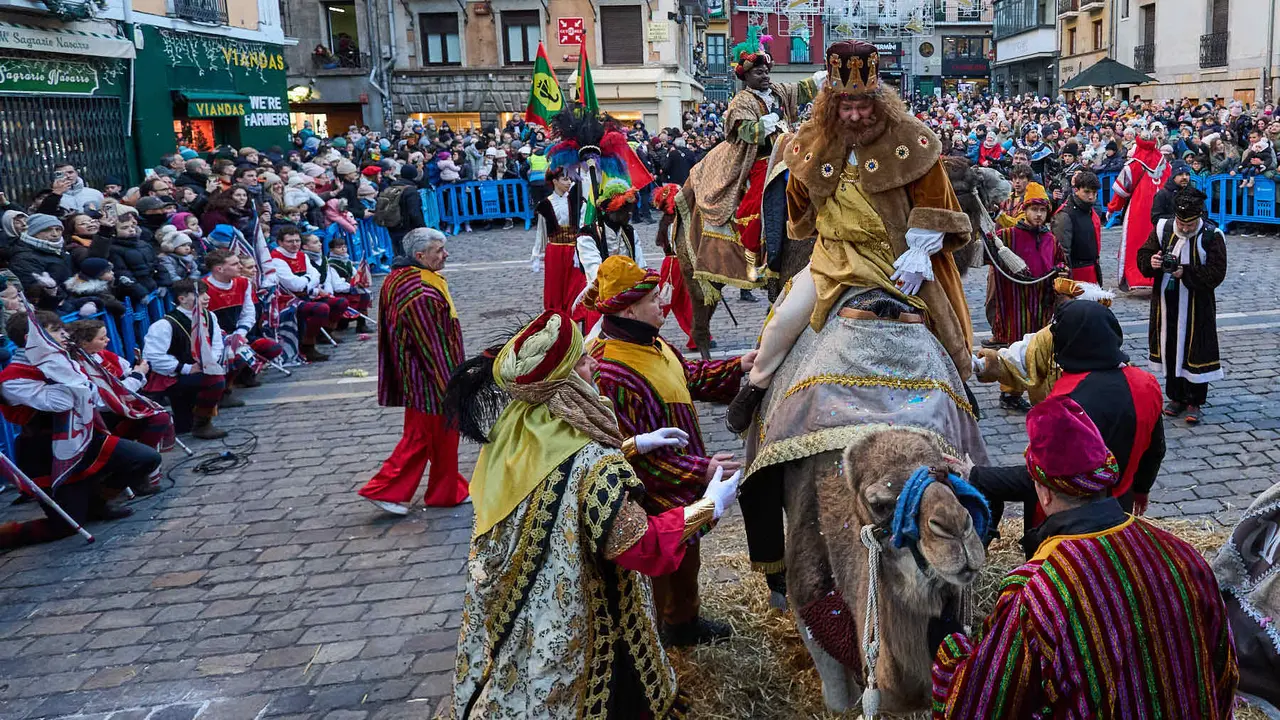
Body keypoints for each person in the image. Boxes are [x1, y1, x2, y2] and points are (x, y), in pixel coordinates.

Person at [443, 309, 742, 718]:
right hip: (588, 626)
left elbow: (556, 476)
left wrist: (634, 445)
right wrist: (710, 505)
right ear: (564, 383)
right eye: (584, 360)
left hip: (527, 619)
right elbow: (642, 545)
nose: (595, 362)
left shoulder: (515, 429)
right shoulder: (594, 466)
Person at [932, 394, 1238, 719]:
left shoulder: (1037, 591)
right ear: (1103, 480)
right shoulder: (1183, 557)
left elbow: (977, 706)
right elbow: (1225, 673)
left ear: (1044, 492)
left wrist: (947, 641)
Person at [725, 40, 974, 434]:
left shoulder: (912, 138)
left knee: (947, 326)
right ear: (831, 105)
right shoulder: (812, 140)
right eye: (846, 106)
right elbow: (800, 209)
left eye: (863, 106)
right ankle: (756, 386)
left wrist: (918, 253)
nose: (856, 115)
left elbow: (936, 203)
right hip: (833, 257)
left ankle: (961, 393)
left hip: (897, 258)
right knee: (785, 318)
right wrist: (803, 180)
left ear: (879, 102)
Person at [586, 255, 756, 645]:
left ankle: (683, 623)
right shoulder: (612, 371)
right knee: (660, 567)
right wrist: (703, 469)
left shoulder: (651, 341)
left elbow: (686, 376)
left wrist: (737, 367)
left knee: (686, 559)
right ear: (629, 309)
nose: (663, 303)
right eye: (652, 301)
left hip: (679, 480)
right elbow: (637, 457)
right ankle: (655, 642)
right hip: (651, 498)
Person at [971, 297, 1166, 549]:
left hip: (1067, 525)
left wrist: (977, 474)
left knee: (978, 478)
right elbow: (1155, 448)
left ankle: (977, 552)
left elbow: (1044, 473)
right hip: (1121, 508)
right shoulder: (1146, 383)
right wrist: (1141, 489)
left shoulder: (1064, 401)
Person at [0, 312, 164, 549]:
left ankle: (98, 502)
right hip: (47, 452)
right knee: (66, 526)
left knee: (146, 459)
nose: (65, 336)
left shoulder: (68, 362)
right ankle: (6, 535)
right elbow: (61, 403)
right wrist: (64, 371)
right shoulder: (13, 378)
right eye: (56, 331)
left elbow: (95, 398)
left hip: (86, 436)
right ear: (32, 339)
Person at [684, 26, 822, 298]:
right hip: (760, 159)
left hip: (787, 154)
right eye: (759, 72)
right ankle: (757, 256)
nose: (765, 76)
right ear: (746, 76)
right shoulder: (740, 101)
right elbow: (745, 133)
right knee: (761, 195)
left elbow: (802, 89)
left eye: (767, 71)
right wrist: (764, 124)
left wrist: (822, 78)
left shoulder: (779, 91)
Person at [358, 228, 469, 513]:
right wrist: (452, 383)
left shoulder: (405, 278)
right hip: (427, 378)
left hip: (422, 373)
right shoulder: (419, 292)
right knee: (421, 437)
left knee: (445, 434)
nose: (445, 255)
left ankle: (447, 490)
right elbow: (432, 346)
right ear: (420, 256)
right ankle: (386, 490)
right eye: (439, 251)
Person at [1137, 186, 1226, 424]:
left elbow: (1216, 273)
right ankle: (1175, 397)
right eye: (1181, 223)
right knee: (1170, 346)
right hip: (1166, 304)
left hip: (1198, 305)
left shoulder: (1211, 235)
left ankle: (1195, 401)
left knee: (1195, 347)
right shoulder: (1163, 229)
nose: (1184, 228)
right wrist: (1152, 262)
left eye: (1190, 224)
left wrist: (1184, 272)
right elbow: (1144, 255)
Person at [984, 182, 1063, 410]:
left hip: (1042, 305)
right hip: (1014, 304)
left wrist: (1060, 269)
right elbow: (986, 253)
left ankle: (1040, 394)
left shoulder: (1051, 240)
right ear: (1024, 211)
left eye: (1042, 210)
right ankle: (1010, 394)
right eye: (1033, 210)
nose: (1038, 215)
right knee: (1014, 348)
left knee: (1039, 349)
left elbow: (1060, 261)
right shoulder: (1007, 237)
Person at [142, 279, 229, 439]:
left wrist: (209, 362)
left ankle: (201, 422)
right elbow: (152, 357)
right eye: (200, 294)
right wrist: (186, 368)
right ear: (182, 299)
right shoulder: (164, 324)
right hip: (173, 377)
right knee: (215, 380)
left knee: (215, 376)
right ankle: (198, 424)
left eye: (206, 293)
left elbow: (217, 343)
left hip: (199, 370)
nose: (207, 297)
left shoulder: (209, 316)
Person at [203, 249, 281, 388]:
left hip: (240, 334)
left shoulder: (243, 283)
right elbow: (202, 321)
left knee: (273, 348)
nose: (240, 267)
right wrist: (228, 338)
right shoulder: (203, 287)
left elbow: (248, 313)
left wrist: (240, 333)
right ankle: (225, 388)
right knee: (235, 354)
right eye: (235, 264)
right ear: (219, 269)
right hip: (215, 340)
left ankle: (243, 374)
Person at [265, 225, 345, 362]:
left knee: (339, 303)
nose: (295, 244)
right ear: (280, 243)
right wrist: (309, 281)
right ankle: (308, 345)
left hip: (306, 294)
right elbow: (294, 285)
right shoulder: (276, 259)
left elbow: (316, 275)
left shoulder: (302, 255)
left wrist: (307, 282)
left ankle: (325, 332)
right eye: (290, 241)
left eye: (297, 241)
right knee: (321, 308)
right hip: (286, 301)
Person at [1107, 128, 1170, 291]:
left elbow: (1121, 191)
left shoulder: (1134, 164)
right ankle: (1160, 275)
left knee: (1136, 241)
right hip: (1163, 208)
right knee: (1161, 240)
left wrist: (1112, 208)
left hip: (1139, 208)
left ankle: (1136, 275)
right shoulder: (1165, 163)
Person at [529, 167, 587, 316]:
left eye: (569, 179)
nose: (568, 182)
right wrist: (537, 253)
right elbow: (541, 232)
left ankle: (574, 315)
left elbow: (583, 226)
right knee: (555, 286)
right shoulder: (545, 205)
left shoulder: (578, 201)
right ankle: (556, 315)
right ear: (555, 181)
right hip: (555, 251)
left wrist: (581, 246)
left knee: (576, 285)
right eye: (565, 179)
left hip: (574, 251)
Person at [1051, 170, 1104, 284]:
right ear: (1076, 190)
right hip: (1076, 274)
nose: (1091, 197)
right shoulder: (1064, 215)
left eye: (1094, 193)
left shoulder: (1091, 211)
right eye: (1086, 192)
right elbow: (1062, 252)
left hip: (1092, 270)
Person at [375, 165, 426, 257]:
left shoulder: (392, 187)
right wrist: (422, 228)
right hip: (406, 226)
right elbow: (414, 212)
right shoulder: (410, 191)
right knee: (408, 254)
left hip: (393, 225)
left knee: (398, 252)